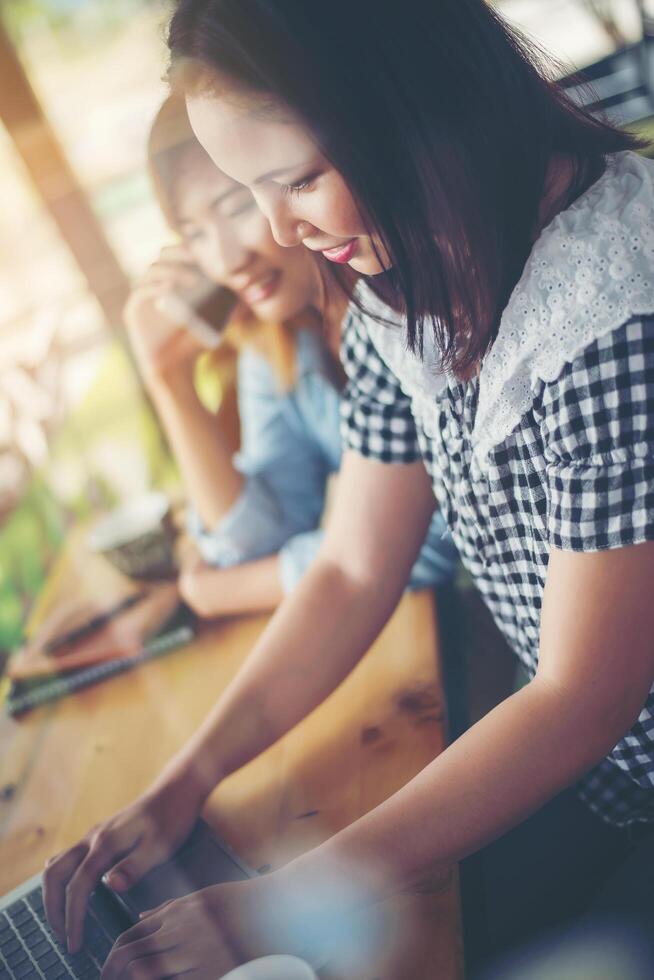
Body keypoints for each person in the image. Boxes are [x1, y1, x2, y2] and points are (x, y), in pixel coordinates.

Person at [44, 2, 654, 977]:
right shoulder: (397, 277)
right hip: (593, 776)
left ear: (416, 109)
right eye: (255, 188)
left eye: (298, 180)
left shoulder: (617, 304)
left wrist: (292, 896)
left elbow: (586, 694)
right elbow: (353, 562)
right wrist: (186, 777)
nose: (280, 226)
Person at [126, 96, 456, 618]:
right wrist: (168, 380)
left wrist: (226, 591)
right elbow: (262, 533)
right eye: (194, 234)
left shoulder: (405, 311)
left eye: (236, 207)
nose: (228, 260)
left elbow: (430, 542)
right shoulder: (278, 344)